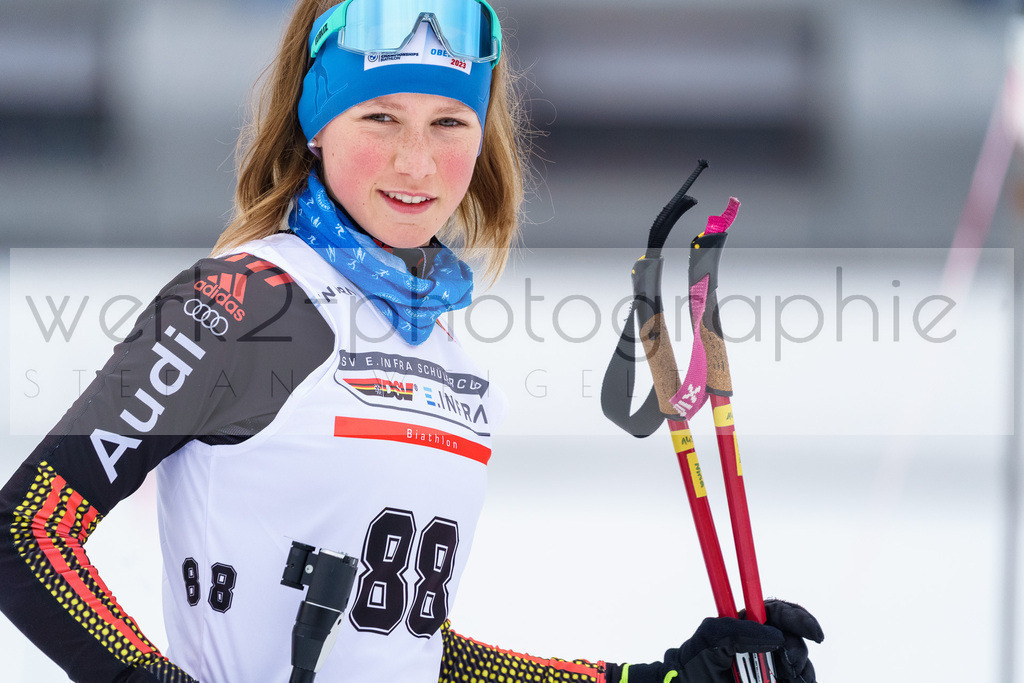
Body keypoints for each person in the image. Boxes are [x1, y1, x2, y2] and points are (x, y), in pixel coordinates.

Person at [0, 1, 823, 681]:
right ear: (316, 124)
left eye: (448, 122)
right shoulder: (245, 302)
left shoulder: (448, 359)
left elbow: (409, 651)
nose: (416, 161)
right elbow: (26, 532)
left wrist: (654, 681)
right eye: (380, 117)